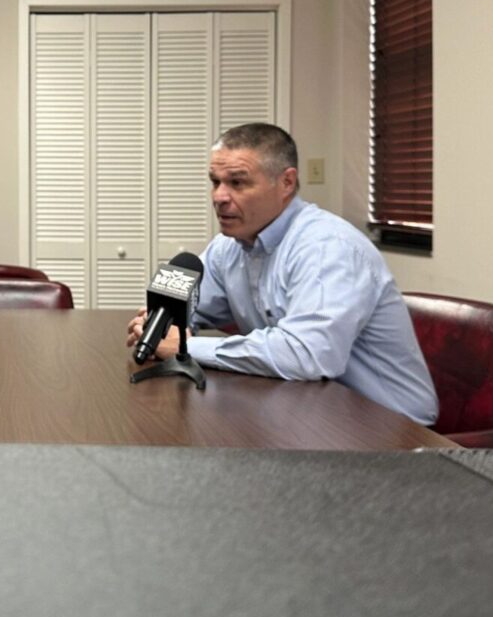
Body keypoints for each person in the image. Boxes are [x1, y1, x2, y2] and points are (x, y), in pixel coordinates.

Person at [125, 123, 438, 424]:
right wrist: (158, 324)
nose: (219, 197)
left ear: (287, 183)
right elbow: (184, 311)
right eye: (214, 181)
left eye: (237, 182)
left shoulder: (327, 247)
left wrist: (184, 346)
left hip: (391, 429)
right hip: (305, 408)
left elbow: (306, 355)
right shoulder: (229, 247)